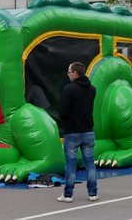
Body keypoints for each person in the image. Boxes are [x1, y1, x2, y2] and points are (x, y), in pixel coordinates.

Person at [57, 62, 98, 203]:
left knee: (70, 165)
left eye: (69, 72)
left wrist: (66, 121)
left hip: (72, 132)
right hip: (88, 131)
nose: (68, 75)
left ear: (75, 73)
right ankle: (93, 193)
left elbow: (62, 111)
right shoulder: (92, 89)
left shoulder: (68, 89)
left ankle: (68, 195)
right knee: (90, 163)